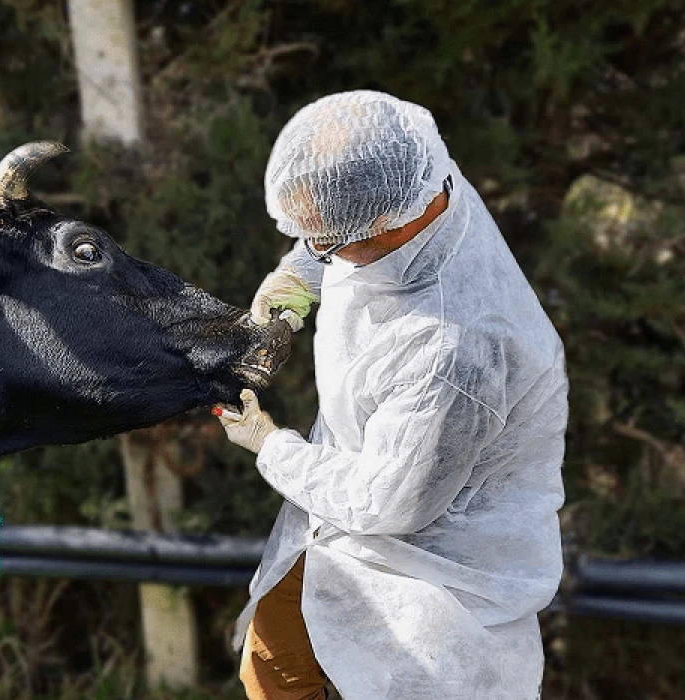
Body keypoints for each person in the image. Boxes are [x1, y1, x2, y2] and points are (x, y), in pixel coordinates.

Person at [215, 91, 568, 700]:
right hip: (343, 517)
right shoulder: (422, 180)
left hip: (431, 574)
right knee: (271, 665)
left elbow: (387, 503)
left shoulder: (456, 350)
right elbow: (343, 212)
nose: (320, 251)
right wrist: (303, 274)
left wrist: (270, 445)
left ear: (379, 223)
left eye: (324, 242)